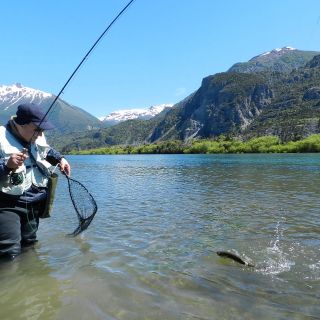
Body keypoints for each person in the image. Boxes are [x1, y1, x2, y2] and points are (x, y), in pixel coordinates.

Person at [0, 102, 71, 260]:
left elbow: (47, 151)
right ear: (21, 124)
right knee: (9, 251)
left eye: (42, 130)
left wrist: (61, 159)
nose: (40, 134)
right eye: (37, 130)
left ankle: (31, 280)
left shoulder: (38, 135)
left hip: (34, 202)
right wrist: (6, 166)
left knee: (30, 245)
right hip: (7, 204)